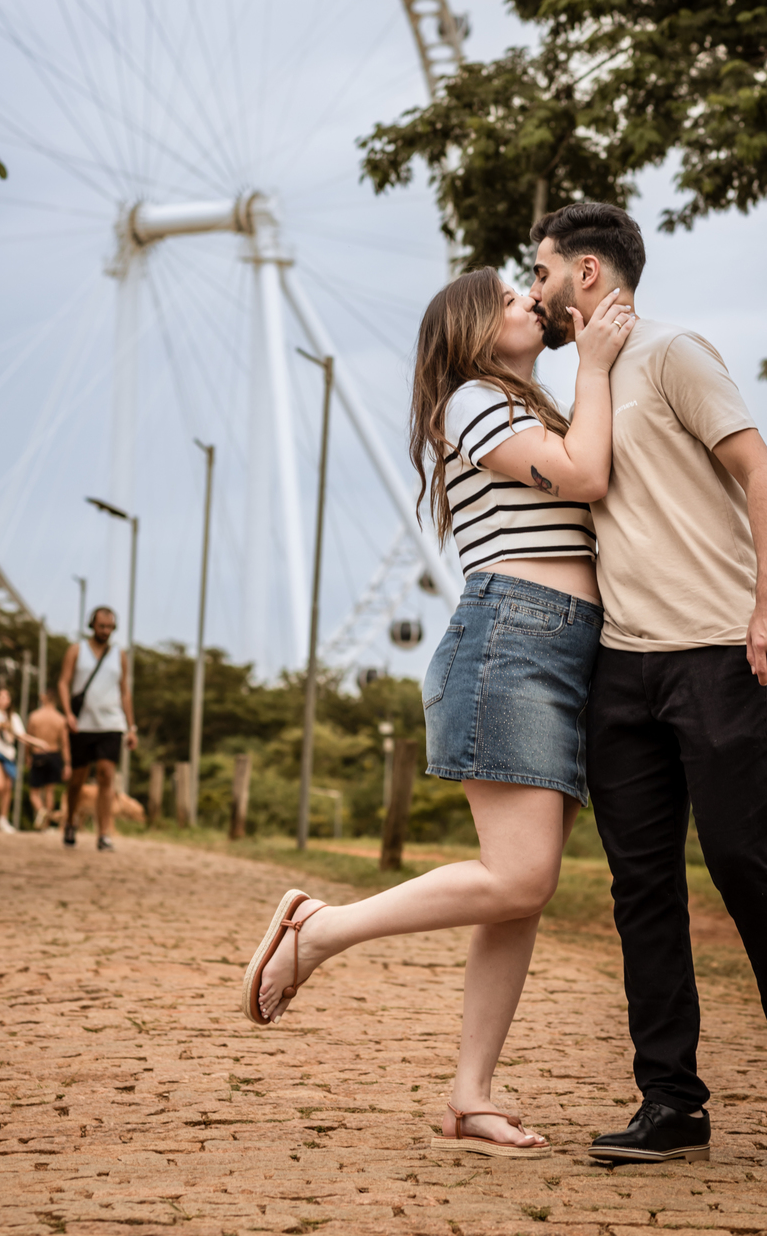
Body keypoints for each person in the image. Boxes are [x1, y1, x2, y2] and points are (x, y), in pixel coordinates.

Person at [241, 267, 634, 1156]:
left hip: (564, 646)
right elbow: (587, 476)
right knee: (521, 879)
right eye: (507, 298)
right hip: (514, 642)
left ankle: (469, 1094)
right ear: (466, 329)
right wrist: (599, 366)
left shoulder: (521, 405)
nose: (529, 301)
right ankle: (319, 932)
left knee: (517, 894)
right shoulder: (468, 403)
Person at [526, 200, 767, 1170]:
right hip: (619, 669)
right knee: (643, 890)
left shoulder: (673, 353)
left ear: (587, 274)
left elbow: (763, 476)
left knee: (746, 863)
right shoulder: (584, 383)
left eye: (540, 269)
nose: (532, 287)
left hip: (720, 651)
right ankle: (671, 1103)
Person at [59, 606, 136, 850]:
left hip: (111, 723)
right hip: (82, 723)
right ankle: (70, 821)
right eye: (102, 626)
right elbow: (63, 682)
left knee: (106, 775)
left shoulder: (118, 655)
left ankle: (104, 833)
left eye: (110, 627)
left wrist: (131, 726)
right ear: (92, 625)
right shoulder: (77, 650)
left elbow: (125, 691)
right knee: (78, 780)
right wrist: (68, 713)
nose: (106, 631)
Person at [0, 686, 38, 833]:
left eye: (7, 697)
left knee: (7, 787)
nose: (4, 700)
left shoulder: (14, 717)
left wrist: (37, 743)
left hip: (8, 754)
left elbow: (21, 735)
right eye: (1, 696)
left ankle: (3, 819)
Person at [26, 687, 72, 830]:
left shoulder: (34, 716)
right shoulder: (61, 719)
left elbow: (29, 739)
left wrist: (28, 756)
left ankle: (41, 811)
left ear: (44, 698)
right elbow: (65, 744)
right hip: (54, 755)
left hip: (38, 755)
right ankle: (45, 825)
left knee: (34, 792)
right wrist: (67, 764)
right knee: (49, 791)